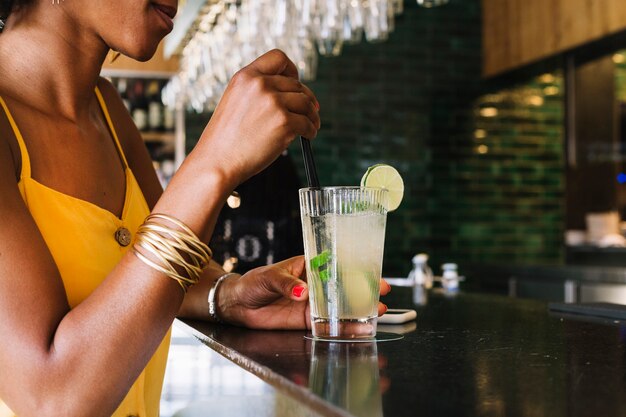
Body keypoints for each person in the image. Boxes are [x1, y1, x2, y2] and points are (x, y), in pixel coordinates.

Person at [0, 1, 390, 416]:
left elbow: (146, 277)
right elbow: (52, 398)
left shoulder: (107, 108)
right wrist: (213, 162)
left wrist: (229, 294)